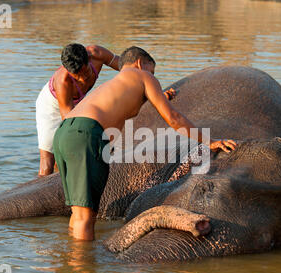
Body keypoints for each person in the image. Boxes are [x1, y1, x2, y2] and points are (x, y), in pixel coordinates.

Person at [52, 46, 237, 240]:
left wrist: (158, 97)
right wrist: (210, 141)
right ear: (140, 63)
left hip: (65, 132)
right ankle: (83, 268)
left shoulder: (114, 84)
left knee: (79, 212)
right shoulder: (142, 76)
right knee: (86, 216)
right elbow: (173, 118)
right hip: (86, 133)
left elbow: (125, 105)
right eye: (152, 71)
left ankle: (71, 259)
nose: (153, 77)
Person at [35, 43, 120, 177]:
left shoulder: (97, 53)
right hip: (51, 106)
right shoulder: (63, 82)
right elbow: (69, 122)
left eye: (86, 72)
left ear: (88, 59)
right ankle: (40, 192)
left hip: (76, 102)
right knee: (48, 160)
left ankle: (61, 175)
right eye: (77, 77)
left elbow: (126, 67)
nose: (82, 79)